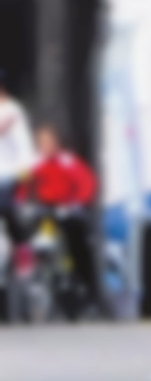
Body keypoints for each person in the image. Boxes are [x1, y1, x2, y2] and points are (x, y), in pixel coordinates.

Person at [21, 125, 99, 318]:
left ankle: (82, 281)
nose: (46, 146)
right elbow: (22, 185)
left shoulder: (67, 160)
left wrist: (78, 202)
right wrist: (22, 202)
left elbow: (86, 182)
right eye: (42, 143)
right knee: (38, 233)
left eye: (49, 142)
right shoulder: (34, 162)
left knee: (76, 241)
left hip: (67, 209)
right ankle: (36, 269)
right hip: (45, 210)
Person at [0, 69, 36, 317]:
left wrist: (25, 174)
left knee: (8, 208)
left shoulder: (13, 112)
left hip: (8, 175)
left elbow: (25, 150)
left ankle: (21, 247)